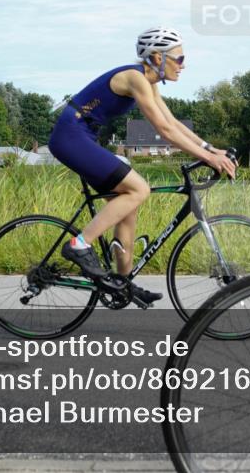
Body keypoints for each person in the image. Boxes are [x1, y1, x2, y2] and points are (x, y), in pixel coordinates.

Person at [48, 27, 236, 305]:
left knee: (128, 204)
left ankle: (121, 284)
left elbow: (172, 123)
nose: (184, 65)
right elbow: (164, 131)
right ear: (158, 58)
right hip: (70, 137)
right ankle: (79, 244)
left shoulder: (149, 83)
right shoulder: (135, 78)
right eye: (180, 59)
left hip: (83, 137)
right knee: (139, 189)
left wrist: (210, 149)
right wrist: (210, 160)